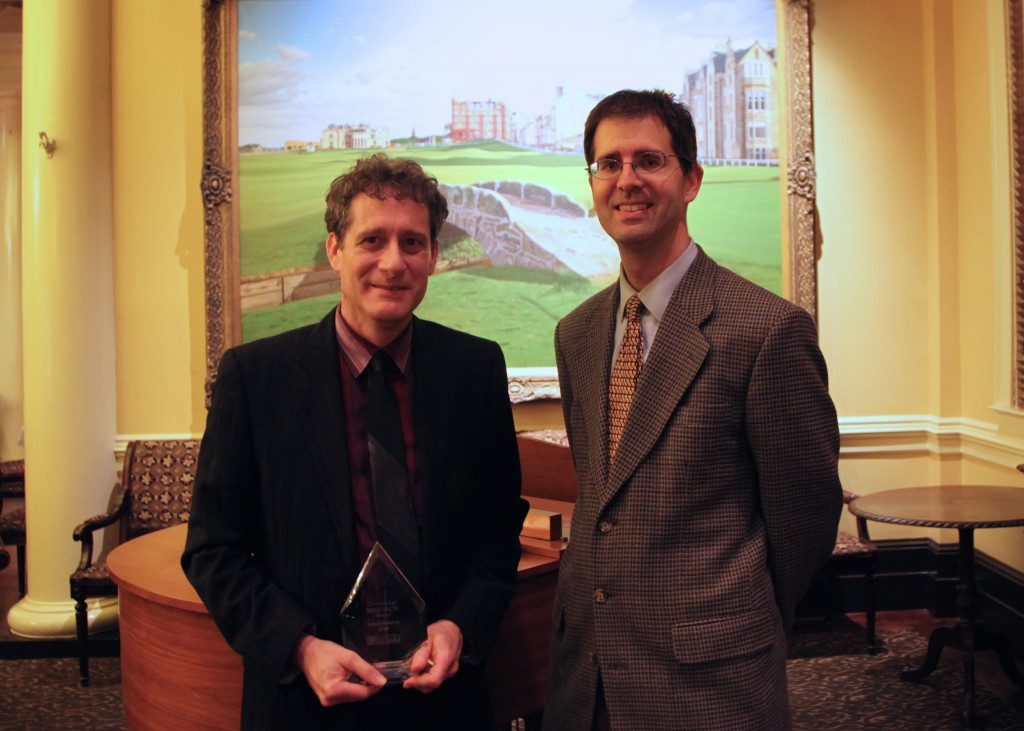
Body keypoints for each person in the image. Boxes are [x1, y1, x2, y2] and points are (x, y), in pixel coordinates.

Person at [182, 153, 528, 730]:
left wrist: (458, 627)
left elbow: (497, 531)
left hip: (443, 701)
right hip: (305, 706)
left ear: (434, 255)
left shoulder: (475, 369)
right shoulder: (255, 377)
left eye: (413, 243)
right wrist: (298, 648)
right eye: (372, 240)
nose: (393, 263)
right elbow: (212, 550)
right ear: (335, 250)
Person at [543, 89, 843, 731]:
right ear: (592, 183)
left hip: (712, 681)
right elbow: (603, 498)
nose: (627, 180)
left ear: (692, 179)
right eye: (608, 163)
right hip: (586, 675)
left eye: (648, 160)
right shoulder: (577, 332)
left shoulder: (767, 330)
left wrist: (746, 620)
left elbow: (805, 516)